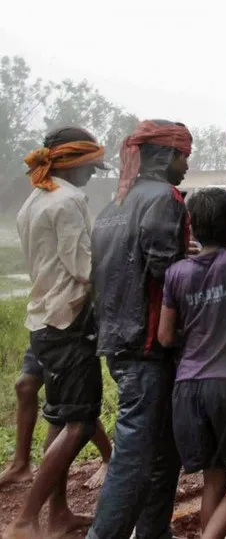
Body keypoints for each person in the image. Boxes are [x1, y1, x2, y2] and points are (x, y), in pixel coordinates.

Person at [86, 120, 193, 539]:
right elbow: (166, 272)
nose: (187, 164)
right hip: (149, 344)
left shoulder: (115, 205)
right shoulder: (166, 198)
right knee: (133, 452)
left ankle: (153, 531)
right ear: (166, 156)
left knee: (163, 449)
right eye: (184, 155)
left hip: (118, 338)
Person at [4, 129, 108, 539]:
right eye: (90, 169)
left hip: (43, 320)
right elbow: (84, 268)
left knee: (59, 417)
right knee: (80, 422)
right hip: (70, 323)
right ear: (76, 164)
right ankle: (26, 520)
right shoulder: (69, 201)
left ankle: (59, 512)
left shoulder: (34, 200)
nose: (91, 177)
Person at [156, 188, 226, 532]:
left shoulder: (176, 273)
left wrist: (199, 331)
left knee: (214, 479)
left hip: (187, 389)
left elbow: (165, 337)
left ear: (192, 227)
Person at [0, 347, 111, 491]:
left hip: (69, 336)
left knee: (75, 405)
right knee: (24, 386)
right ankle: (21, 465)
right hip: (43, 330)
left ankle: (109, 457)